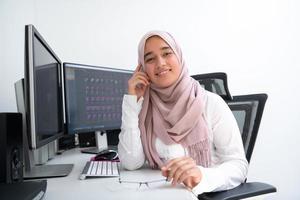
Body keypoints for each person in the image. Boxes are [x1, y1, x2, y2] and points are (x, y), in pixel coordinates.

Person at [117, 30, 248, 195]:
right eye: (150, 59)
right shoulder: (144, 109)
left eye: (167, 53)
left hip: (205, 195)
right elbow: (130, 163)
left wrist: (202, 175)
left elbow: (238, 166)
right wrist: (131, 101)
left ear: (179, 56)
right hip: (160, 194)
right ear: (142, 68)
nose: (160, 63)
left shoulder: (210, 103)